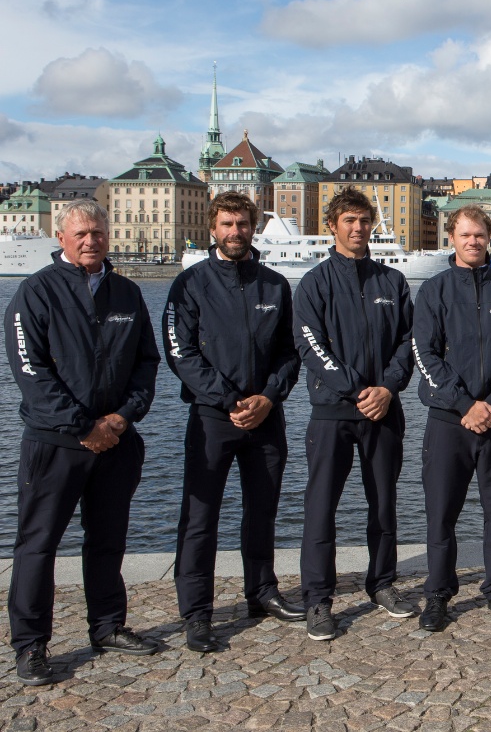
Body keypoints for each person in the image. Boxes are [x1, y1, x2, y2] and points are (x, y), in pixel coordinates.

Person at [4, 199, 160, 685]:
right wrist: (82, 426)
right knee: (38, 545)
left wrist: (119, 418)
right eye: (80, 234)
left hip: (115, 440)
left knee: (108, 540)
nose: (90, 240)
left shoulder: (127, 294)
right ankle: (31, 645)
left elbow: (146, 364)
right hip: (55, 444)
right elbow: (32, 373)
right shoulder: (35, 293)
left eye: (97, 232)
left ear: (107, 234)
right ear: (61, 237)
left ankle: (108, 625)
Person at [164, 191, 303, 653]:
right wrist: (229, 400)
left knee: (261, 509)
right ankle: (197, 612)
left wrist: (267, 396)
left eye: (242, 224)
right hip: (212, 417)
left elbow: (289, 353)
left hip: (266, 415)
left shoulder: (275, 285)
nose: (235, 232)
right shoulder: (189, 284)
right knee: (200, 518)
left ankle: (261, 591)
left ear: (253, 226)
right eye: (227, 224)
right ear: (213, 228)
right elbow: (180, 353)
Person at [293, 188, 416, 641]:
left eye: (364, 220)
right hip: (332, 411)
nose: (358, 228)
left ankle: (381, 584)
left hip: (383, 410)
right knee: (320, 508)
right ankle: (318, 600)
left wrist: (387, 388)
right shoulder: (314, 283)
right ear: (332, 225)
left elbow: (410, 343)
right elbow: (310, 344)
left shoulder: (392, 282)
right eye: (349, 220)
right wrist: (356, 388)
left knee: (383, 503)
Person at [412, 204, 491, 632]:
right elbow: (424, 355)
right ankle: (438, 594)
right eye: (465, 235)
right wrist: (466, 405)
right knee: (441, 514)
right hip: (449, 421)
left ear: (489, 238)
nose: (473, 242)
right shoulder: (434, 292)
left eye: (479, 235)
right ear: (452, 239)